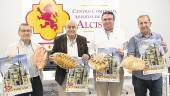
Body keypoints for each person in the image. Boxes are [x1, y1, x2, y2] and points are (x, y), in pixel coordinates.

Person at [127, 15, 168, 96]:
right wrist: (137, 62)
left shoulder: (158, 36)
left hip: (156, 76)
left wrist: (165, 48)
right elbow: (130, 57)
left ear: (150, 23)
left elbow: (163, 53)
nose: (143, 25)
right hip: (139, 77)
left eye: (145, 22)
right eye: (141, 23)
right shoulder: (133, 39)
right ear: (138, 25)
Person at [91, 11, 127, 96]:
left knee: (116, 94)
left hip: (117, 70)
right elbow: (90, 50)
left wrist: (124, 53)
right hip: (99, 70)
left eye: (110, 19)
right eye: (105, 19)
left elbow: (127, 50)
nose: (107, 21)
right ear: (102, 21)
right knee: (100, 94)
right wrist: (93, 55)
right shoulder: (95, 34)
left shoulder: (122, 33)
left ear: (114, 20)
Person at [50, 20, 89, 96]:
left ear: (77, 28)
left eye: (73, 27)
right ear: (65, 28)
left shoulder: (83, 39)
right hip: (63, 75)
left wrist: (87, 56)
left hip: (79, 74)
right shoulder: (58, 39)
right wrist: (52, 59)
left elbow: (87, 54)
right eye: (69, 27)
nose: (71, 29)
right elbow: (53, 55)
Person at [6, 23, 43, 96]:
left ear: (31, 33)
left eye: (28, 31)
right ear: (19, 33)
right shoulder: (11, 48)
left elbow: (41, 64)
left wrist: (42, 63)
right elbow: (7, 66)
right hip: (19, 82)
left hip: (35, 80)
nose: (26, 33)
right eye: (23, 31)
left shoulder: (38, 47)